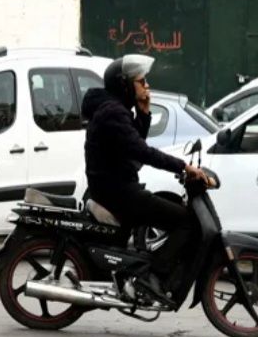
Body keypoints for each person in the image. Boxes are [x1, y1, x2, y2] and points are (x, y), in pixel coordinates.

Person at [82, 54, 208, 294]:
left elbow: (132, 146)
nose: (147, 86)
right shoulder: (113, 112)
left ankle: (143, 271)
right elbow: (143, 151)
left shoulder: (115, 109)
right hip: (118, 191)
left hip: (116, 187)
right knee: (186, 222)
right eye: (141, 81)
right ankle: (152, 277)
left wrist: (143, 113)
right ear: (125, 85)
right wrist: (183, 166)